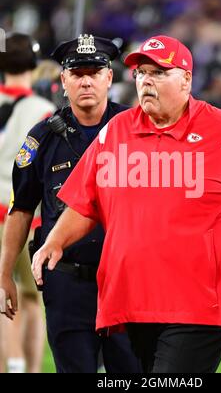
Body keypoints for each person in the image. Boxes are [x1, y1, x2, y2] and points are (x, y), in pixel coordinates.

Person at [31, 35, 221, 373]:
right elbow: (85, 202)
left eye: (159, 73)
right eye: (141, 73)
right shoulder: (115, 132)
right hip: (134, 300)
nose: (147, 81)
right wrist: (54, 242)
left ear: (186, 79)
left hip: (202, 302)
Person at [0, 33, 140, 373]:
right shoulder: (42, 137)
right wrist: (4, 274)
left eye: (95, 72)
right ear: (63, 80)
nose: (86, 81)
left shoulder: (137, 131)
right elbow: (21, 209)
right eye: (77, 74)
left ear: (109, 77)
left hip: (127, 282)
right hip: (67, 284)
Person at [0, 32, 55, 373]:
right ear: (34, 65)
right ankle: (29, 369)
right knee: (33, 299)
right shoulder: (44, 110)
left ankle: (10, 365)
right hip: (25, 213)